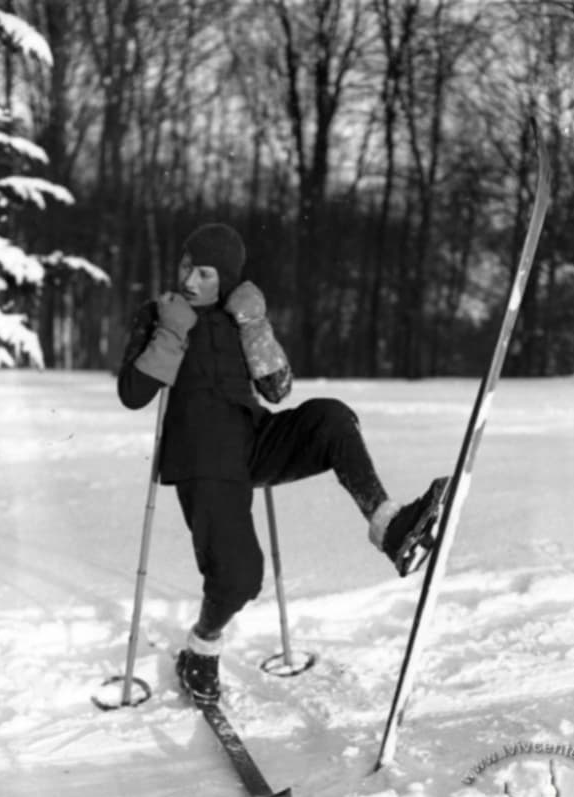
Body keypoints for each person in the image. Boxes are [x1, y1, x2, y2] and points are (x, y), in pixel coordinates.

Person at [117, 223, 448, 706]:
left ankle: (390, 526)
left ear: (227, 278)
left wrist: (255, 326)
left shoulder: (240, 314)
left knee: (331, 418)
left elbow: (277, 390)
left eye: (204, 273)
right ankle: (201, 648)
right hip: (201, 456)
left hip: (255, 440)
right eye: (187, 266)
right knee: (240, 577)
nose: (189, 280)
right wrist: (169, 332)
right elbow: (132, 394)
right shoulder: (157, 314)